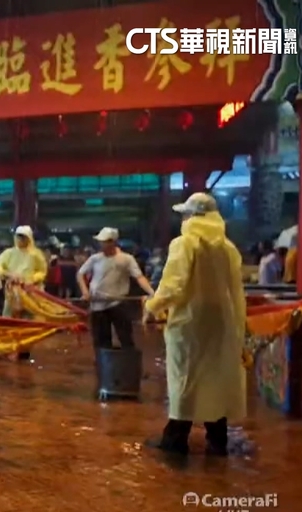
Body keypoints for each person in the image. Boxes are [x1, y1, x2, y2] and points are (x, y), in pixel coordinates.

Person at [143, 193, 246, 456]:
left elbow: (173, 287)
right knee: (216, 376)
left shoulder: (185, 244)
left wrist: (151, 307)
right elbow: (236, 291)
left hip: (189, 324)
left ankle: (176, 439)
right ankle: (217, 439)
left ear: (192, 216)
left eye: (185, 214)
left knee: (184, 378)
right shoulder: (228, 248)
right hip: (221, 323)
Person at [77, 227, 155, 349]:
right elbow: (80, 274)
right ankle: (103, 364)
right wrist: (85, 291)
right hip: (98, 304)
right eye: (100, 242)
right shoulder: (95, 258)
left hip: (118, 303)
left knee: (125, 337)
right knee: (101, 340)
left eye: (103, 242)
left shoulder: (126, 259)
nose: (101, 245)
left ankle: (128, 363)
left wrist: (151, 292)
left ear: (112, 242)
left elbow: (139, 277)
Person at [0, 225, 48, 360]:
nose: (20, 239)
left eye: (23, 237)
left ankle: (24, 350)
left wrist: (31, 280)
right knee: (8, 320)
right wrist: (7, 274)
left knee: (28, 322)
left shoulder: (36, 254)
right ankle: (9, 348)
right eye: (18, 236)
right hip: (12, 292)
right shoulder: (9, 253)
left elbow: (42, 271)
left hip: (31, 293)